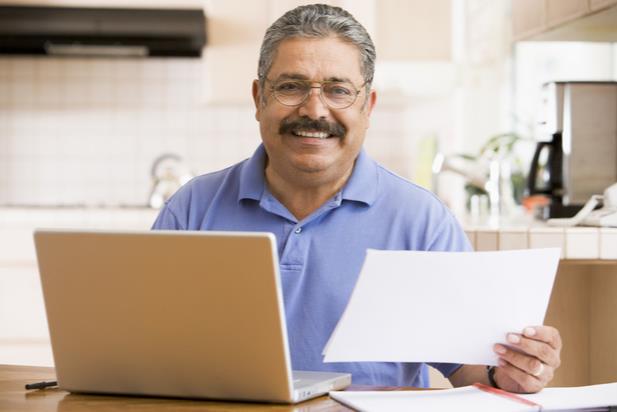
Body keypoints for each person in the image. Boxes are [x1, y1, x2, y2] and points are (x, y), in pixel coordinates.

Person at [152, 3, 561, 392]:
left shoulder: (421, 220)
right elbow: (146, 343)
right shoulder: (192, 208)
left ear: (369, 105)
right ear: (259, 99)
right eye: (291, 87)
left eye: (338, 90)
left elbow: (466, 367)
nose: (314, 109)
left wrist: (507, 373)